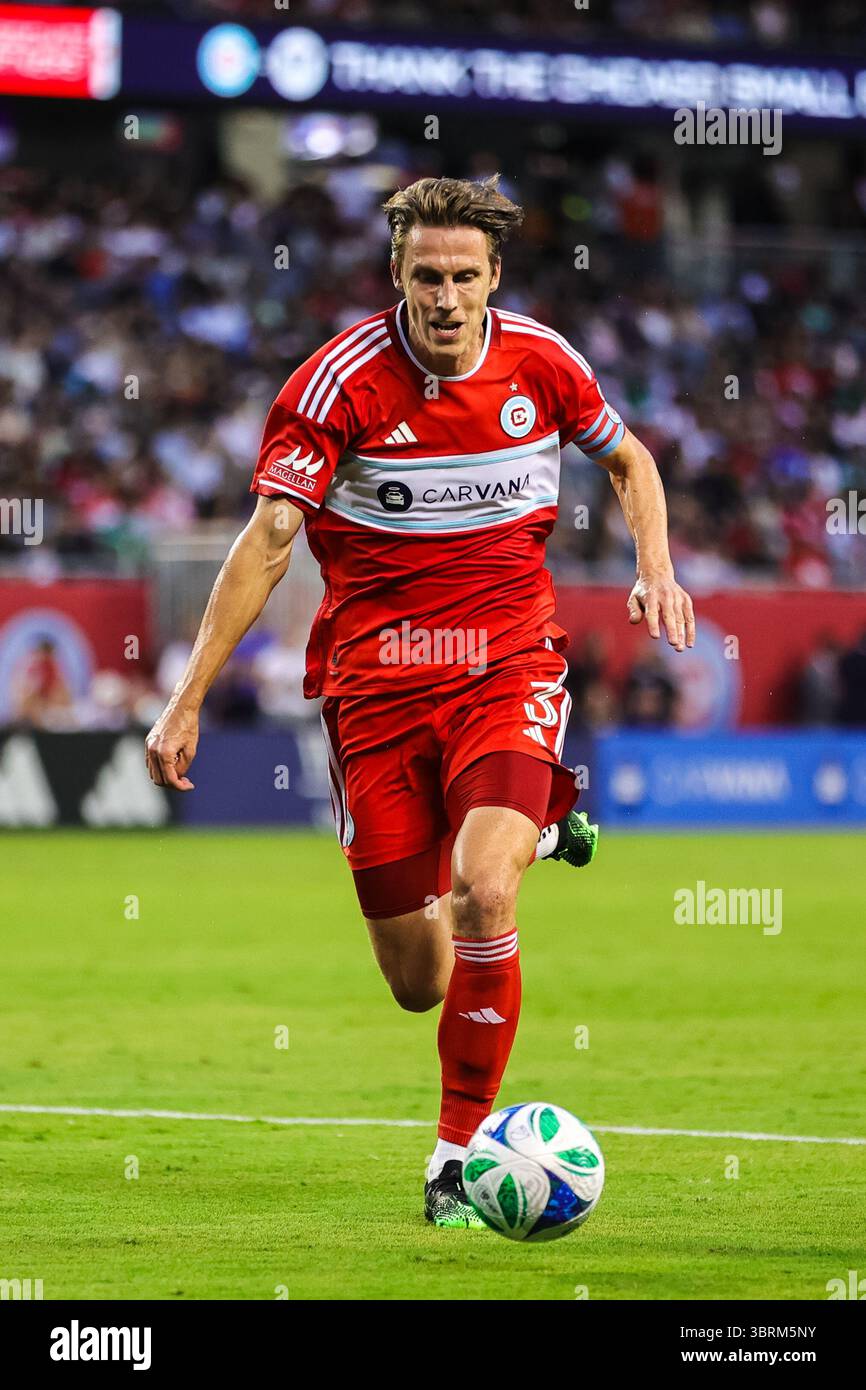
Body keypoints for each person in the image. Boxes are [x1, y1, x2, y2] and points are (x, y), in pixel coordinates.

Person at [146, 175, 695, 1228]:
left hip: (507, 664)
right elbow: (266, 542)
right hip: (374, 691)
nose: (444, 298)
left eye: (463, 277)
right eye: (424, 276)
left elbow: (627, 460)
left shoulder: (543, 363)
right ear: (395, 275)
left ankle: (453, 1161)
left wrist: (654, 565)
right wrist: (187, 698)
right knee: (416, 977)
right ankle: (545, 830)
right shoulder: (335, 387)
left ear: (495, 276)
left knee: (481, 891)